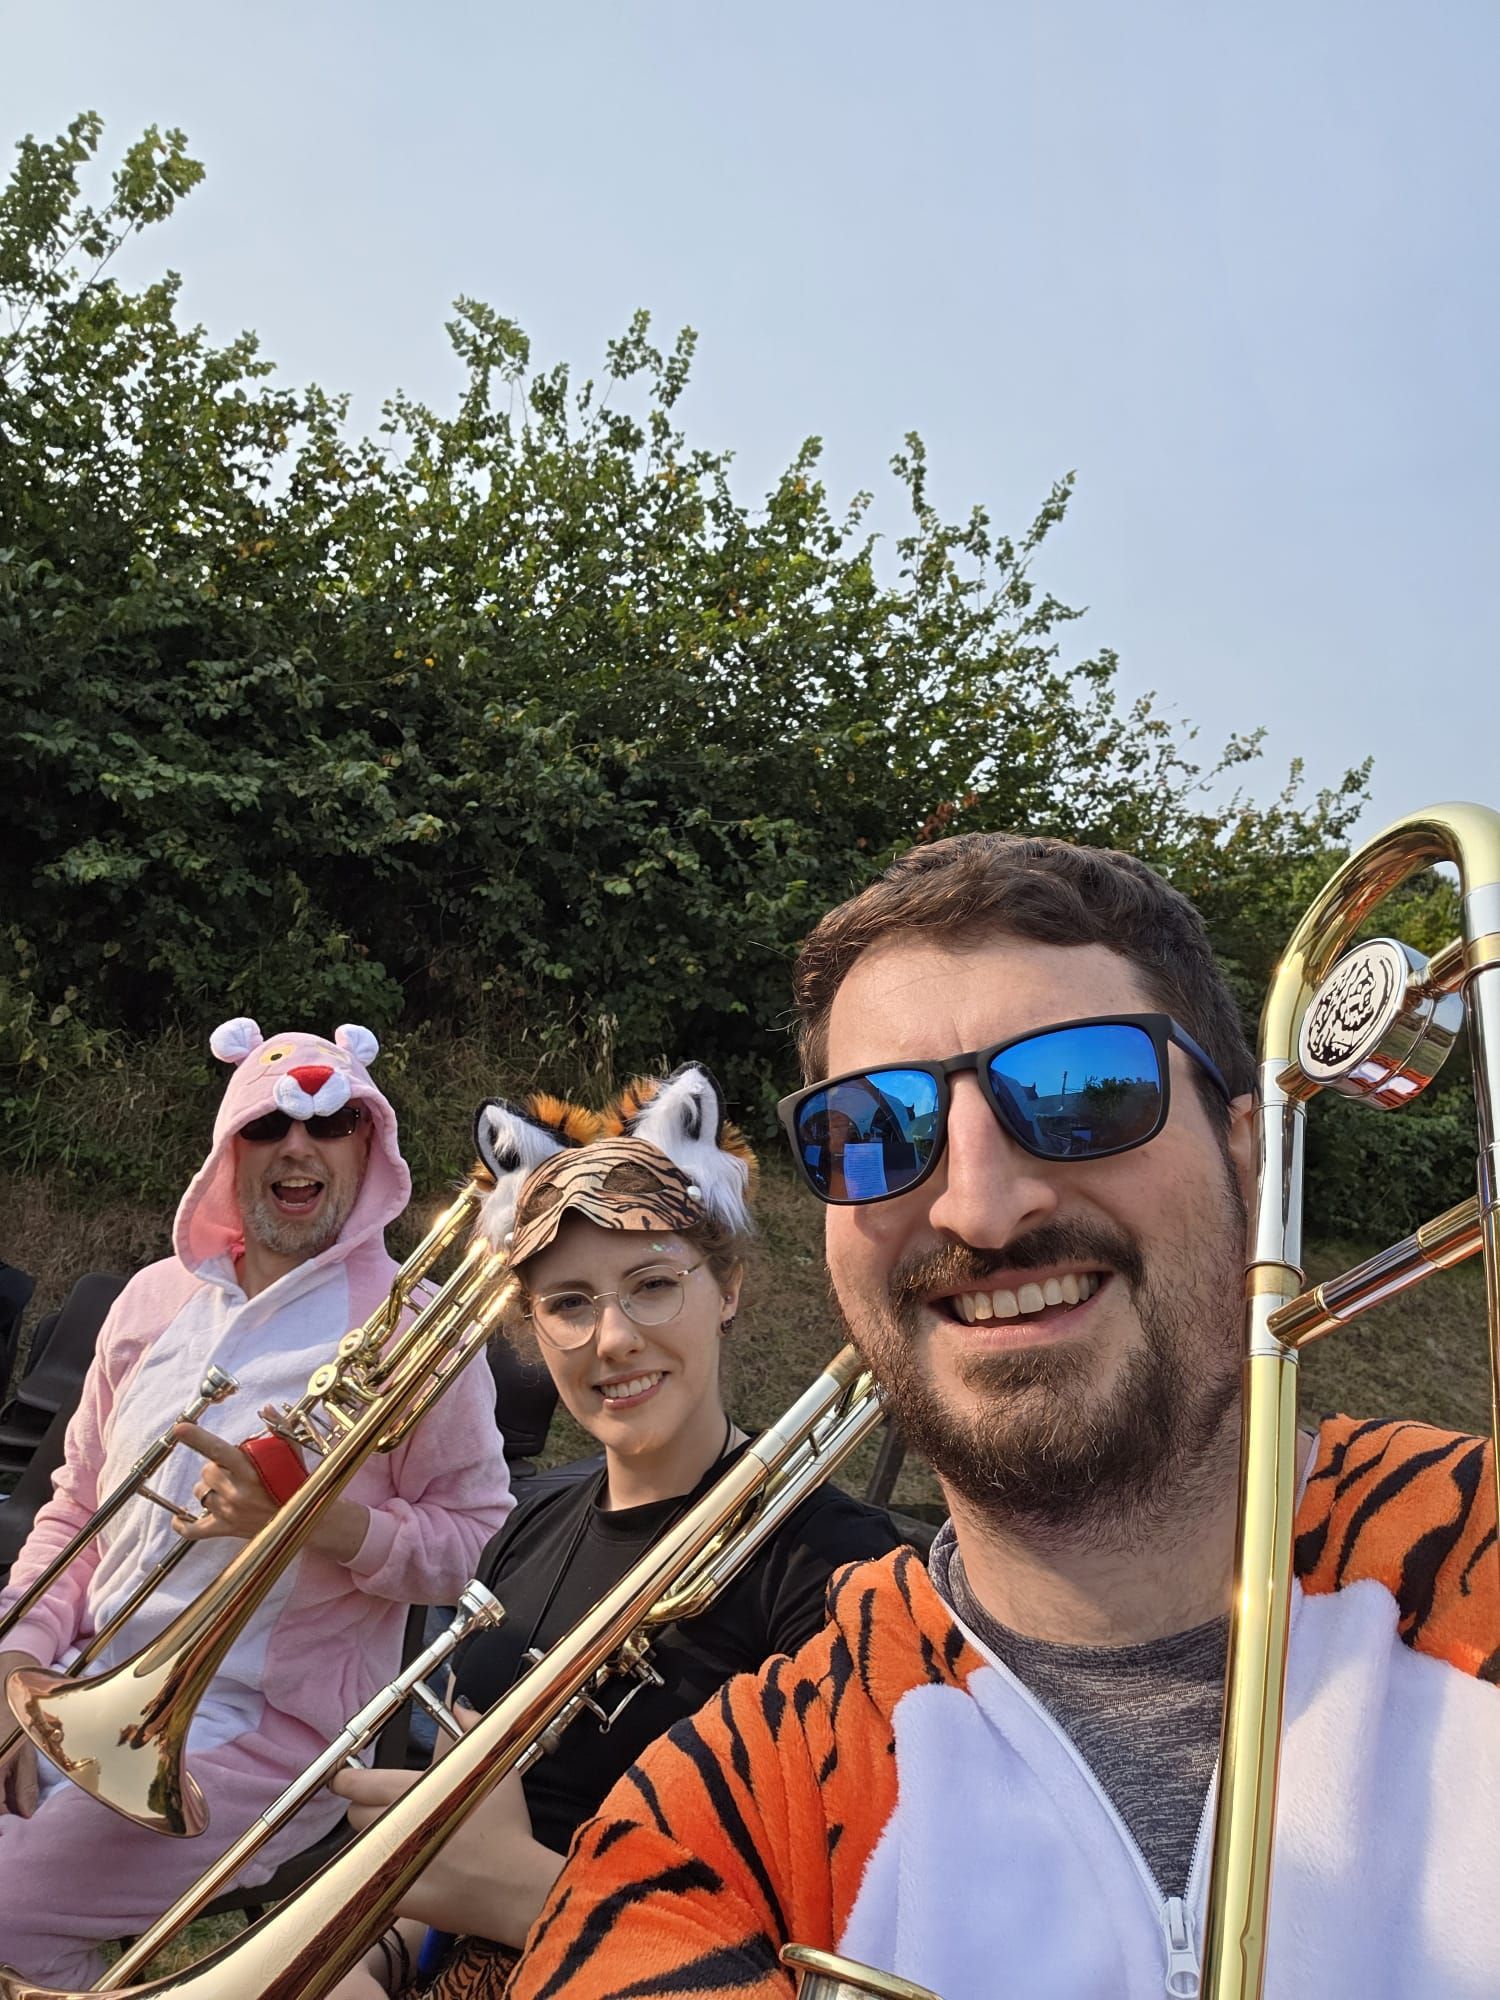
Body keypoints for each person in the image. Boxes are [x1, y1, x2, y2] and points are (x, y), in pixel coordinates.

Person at [505, 835, 1500, 2000]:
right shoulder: (723, 1815)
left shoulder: (1473, 1557)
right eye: (876, 1127)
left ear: (1250, 1158)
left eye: (1084, 1091)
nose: (978, 1207)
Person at [324, 1061, 903, 2000]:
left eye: (652, 1284)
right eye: (568, 1303)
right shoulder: (530, 1524)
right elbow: (447, 1864)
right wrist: (372, 1962)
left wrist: (523, 1894)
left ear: (727, 1288)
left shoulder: (842, 1573)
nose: (613, 1338)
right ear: (532, 1326)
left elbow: (837, 1956)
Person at [0, 1017, 512, 1986]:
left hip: (267, 1736)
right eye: (267, 1125)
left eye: (330, 1124)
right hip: (70, 1676)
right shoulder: (152, 1301)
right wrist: (15, 1659)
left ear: (369, 1145)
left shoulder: (420, 1328)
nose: (297, 1146)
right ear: (229, 1151)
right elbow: (73, 1511)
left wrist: (307, 1519)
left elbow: (470, 1544)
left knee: (5, 1911)